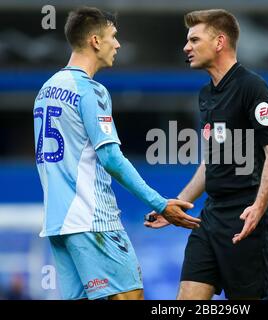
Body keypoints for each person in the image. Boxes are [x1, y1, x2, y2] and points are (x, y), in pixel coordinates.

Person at [33, 6, 200, 300]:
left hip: (58, 222)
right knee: (129, 296)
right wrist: (160, 203)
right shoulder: (91, 90)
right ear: (95, 41)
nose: (118, 44)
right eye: (113, 36)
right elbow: (111, 159)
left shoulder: (46, 90)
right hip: (91, 218)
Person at [145, 9, 268, 300]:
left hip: (246, 217)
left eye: (194, 40)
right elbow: (211, 163)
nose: (187, 47)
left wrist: (259, 207)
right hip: (211, 216)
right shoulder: (206, 94)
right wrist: (179, 206)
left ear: (220, 42)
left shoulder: (252, 87)